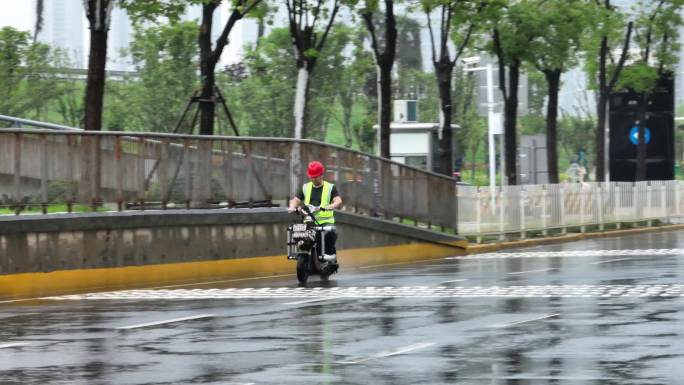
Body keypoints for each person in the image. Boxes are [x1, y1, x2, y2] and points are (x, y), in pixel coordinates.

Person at [288, 161, 343, 262]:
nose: (313, 179)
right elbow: (295, 200)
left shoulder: (330, 187)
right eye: (311, 177)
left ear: (322, 175)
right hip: (309, 221)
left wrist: (331, 206)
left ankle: (330, 258)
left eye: (315, 176)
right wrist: (292, 207)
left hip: (326, 221)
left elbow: (338, 200)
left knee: (331, 234)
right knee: (299, 235)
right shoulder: (305, 187)